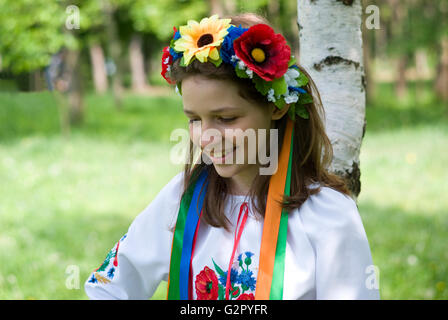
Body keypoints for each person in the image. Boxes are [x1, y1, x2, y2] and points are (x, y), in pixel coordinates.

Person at [84, 13, 380, 300]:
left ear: (276, 107)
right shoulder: (180, 199)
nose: (207, 137)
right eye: (195, 120)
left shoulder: (328, 215)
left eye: (226, 118)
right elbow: (108, 286)